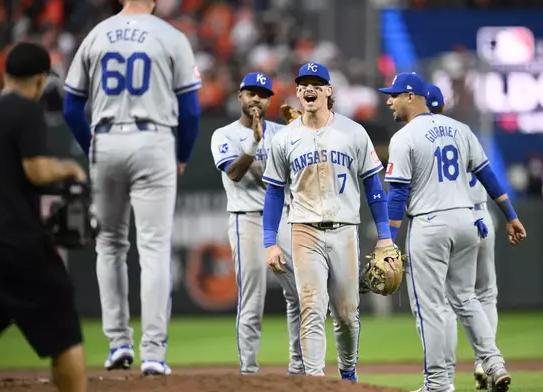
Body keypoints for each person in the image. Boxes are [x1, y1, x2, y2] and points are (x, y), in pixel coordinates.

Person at [62, 0, 202, 376]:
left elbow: (72, 106)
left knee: (109, 244)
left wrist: (93, 146)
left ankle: (118, 345)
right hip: (153, 139)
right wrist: (183, 154)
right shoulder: (170, 36)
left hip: (107, 138)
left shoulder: (96, 34)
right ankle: (153, 353)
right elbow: (190, 110)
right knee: (154, 246)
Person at [381, 73, 526, 392]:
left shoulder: (404, 137)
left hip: (430, 224)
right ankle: (492, 361)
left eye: (393, 95)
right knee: (467, 297)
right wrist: (511, 215)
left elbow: (398, 196)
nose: (388, 100)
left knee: (432, 307)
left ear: (410, 96)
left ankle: (439, 384)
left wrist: (388, 243)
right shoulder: (462, 130)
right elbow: (487, 175)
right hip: (468, 220)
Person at [262, 62, 396, 381]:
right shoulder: (285, 139)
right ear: (297, 91)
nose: (310, 89)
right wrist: (269, 242)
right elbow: (273, 193)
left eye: (317, 84)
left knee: (347, 315)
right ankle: (315, 380)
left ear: (328, 91)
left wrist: (385, 236)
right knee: (311, 308)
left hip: (344, 232)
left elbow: (374, 188)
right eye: (304, 84)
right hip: (303, 231)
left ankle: (347, 373)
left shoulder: (353, 131)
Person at [0, 42, 89, 392]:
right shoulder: (25, 109)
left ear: (5, 73)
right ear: (39, 81)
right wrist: (69, 169)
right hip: (19, 243)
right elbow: (35, 169)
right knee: (64, 334)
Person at [210, 72, 304, 375]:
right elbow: (234, 174)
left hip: (283, 217)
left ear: (269, 101)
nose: (256, 99)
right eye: (250, 93)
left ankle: (299, 367)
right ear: (240, 96)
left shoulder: (284, 131)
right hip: (246, 218)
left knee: (300, 293)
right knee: (252, 297)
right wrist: (253, 143)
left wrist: (306, 133)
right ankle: (248, 373)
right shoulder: (223, 134)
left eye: (262, 94)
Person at [425, 84, 503, 389]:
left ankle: (444, 376)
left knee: (447, 300)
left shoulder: (424, 138)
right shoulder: (464, 133)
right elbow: (487, 174)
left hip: (451, 218)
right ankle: (485, 361)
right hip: (482, 214)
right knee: (486, 294)